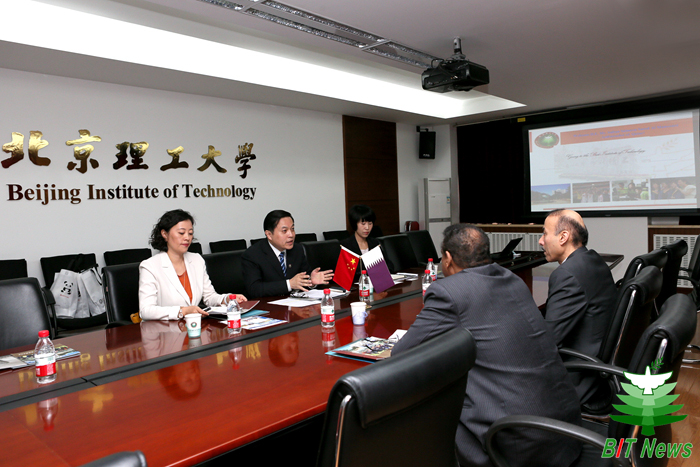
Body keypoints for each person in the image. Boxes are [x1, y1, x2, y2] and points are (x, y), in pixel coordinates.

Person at [392, 224, 581, 467]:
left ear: (447, 258)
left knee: (423, 413)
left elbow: (402, 354)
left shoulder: (450, 291)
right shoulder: (511, 279)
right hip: (564, 428)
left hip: (518, 441)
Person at [538, 209, 616, 403]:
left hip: (579, 378)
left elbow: (548, 341)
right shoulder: (593, 259)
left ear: (563, 237)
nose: (541, 241)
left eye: (545, 234)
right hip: (599, 362)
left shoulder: (567, 274)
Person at [139, 209, 247, 321]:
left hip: (193, 325)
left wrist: (228, 299)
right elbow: (146, 310)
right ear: (164, 234)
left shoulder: (196, 259)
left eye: (190, 233)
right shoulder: (150, 266)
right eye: (181, 233)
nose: (187, 237)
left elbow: (209, 297)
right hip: (165, 328)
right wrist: (182, 311)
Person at [241, 209, 333, 298]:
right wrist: (289, 284)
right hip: (267, 305)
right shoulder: (253, 255)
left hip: (294, 304)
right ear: (269, 234)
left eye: (292, 229)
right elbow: (254, 289)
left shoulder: (297, 249)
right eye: (284, 231)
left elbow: (304, 277)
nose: (291, 235)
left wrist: (311, 281)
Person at [339, 204, 394, 280]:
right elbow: (346, 274)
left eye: (370, 223)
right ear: (354, 224)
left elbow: (389, 265)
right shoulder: (345, 246)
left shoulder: (374, 243)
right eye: (363, 224)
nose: (367, 227)